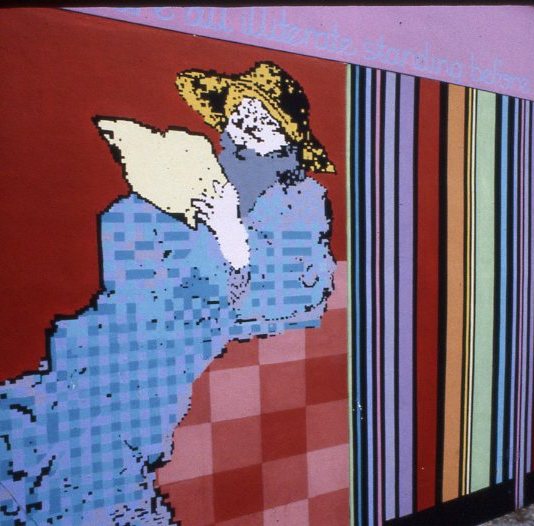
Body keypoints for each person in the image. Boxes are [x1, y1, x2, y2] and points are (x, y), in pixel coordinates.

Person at [0, 62, 336, 524]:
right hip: (105, 340)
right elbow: (124, 237)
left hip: (160, 369)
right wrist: (189, 235)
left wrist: (230, 239)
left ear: (287, 143)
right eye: (241, 110)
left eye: (265, 118)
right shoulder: (187, 173)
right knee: (42, 429)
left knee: (98, 460)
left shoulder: (301, 204)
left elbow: (296, 297)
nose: (247, 121)